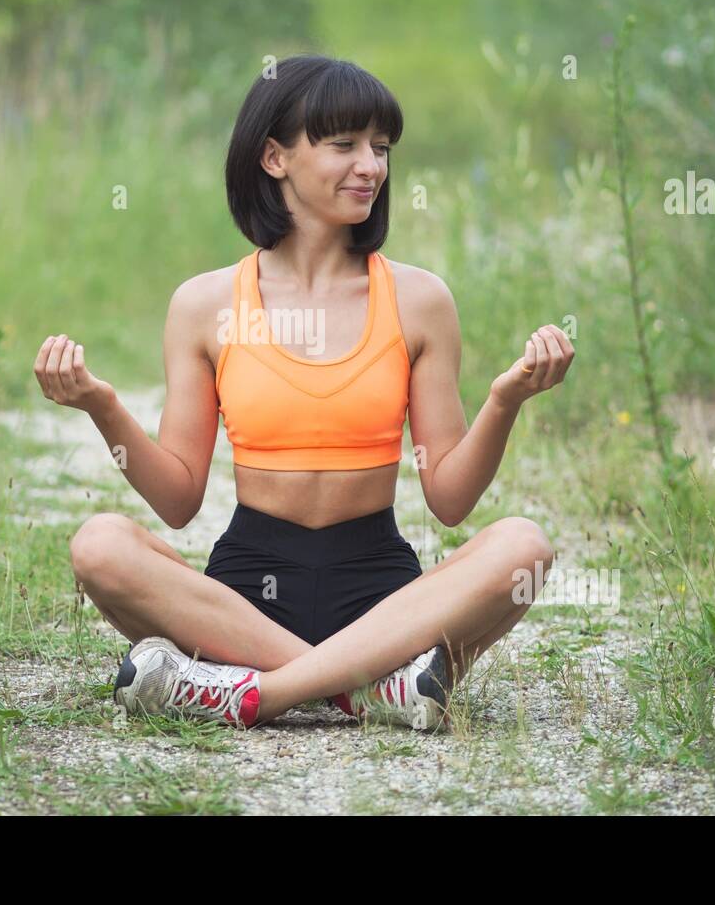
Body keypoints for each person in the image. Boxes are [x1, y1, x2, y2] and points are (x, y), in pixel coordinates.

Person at [33, 55, 573, 732]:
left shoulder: (419, 300)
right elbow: (176, 501)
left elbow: (451, 499)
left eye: (380, 148)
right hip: (246, 598)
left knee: (523, 545)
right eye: (344, 144)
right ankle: (369, 690)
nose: (371, 166)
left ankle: (250, 693)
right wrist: (100, 406)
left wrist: (505, 401)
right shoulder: (203, 305)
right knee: (99, 545)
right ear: (273, 157)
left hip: (381, 597)